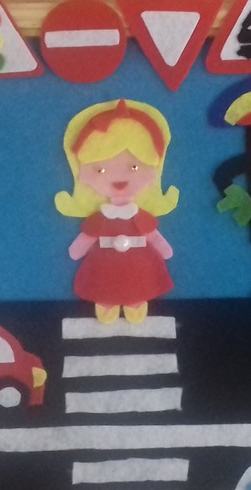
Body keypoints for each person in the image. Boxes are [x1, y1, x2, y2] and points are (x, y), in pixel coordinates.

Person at [55, 100, 177, 324]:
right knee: (105, 283)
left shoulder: (138, 216)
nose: (119, 179)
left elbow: (152, 235)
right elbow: (85, 239)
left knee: (137, 282)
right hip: (104, 261)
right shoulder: (100, 218)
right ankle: (106, 304)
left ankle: (136, 303)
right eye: (100, 170)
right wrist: (78, 248)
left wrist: (163, 248)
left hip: (138, 260)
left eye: (134, 167)